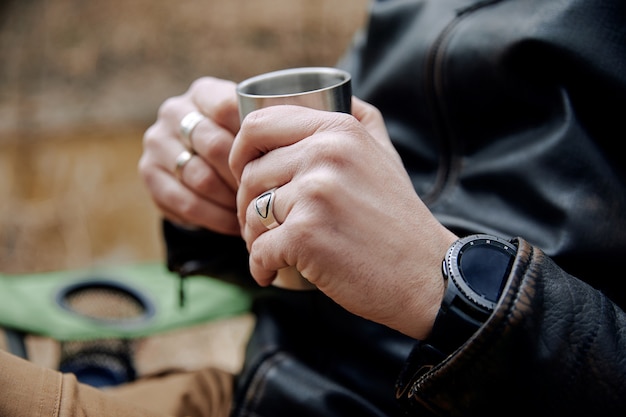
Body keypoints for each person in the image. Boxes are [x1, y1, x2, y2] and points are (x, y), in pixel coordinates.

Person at [1, 0, 625, 416]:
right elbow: (337, 228)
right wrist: (219, 206)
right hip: (248, 394)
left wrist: (449, 285)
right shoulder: (408, 9)